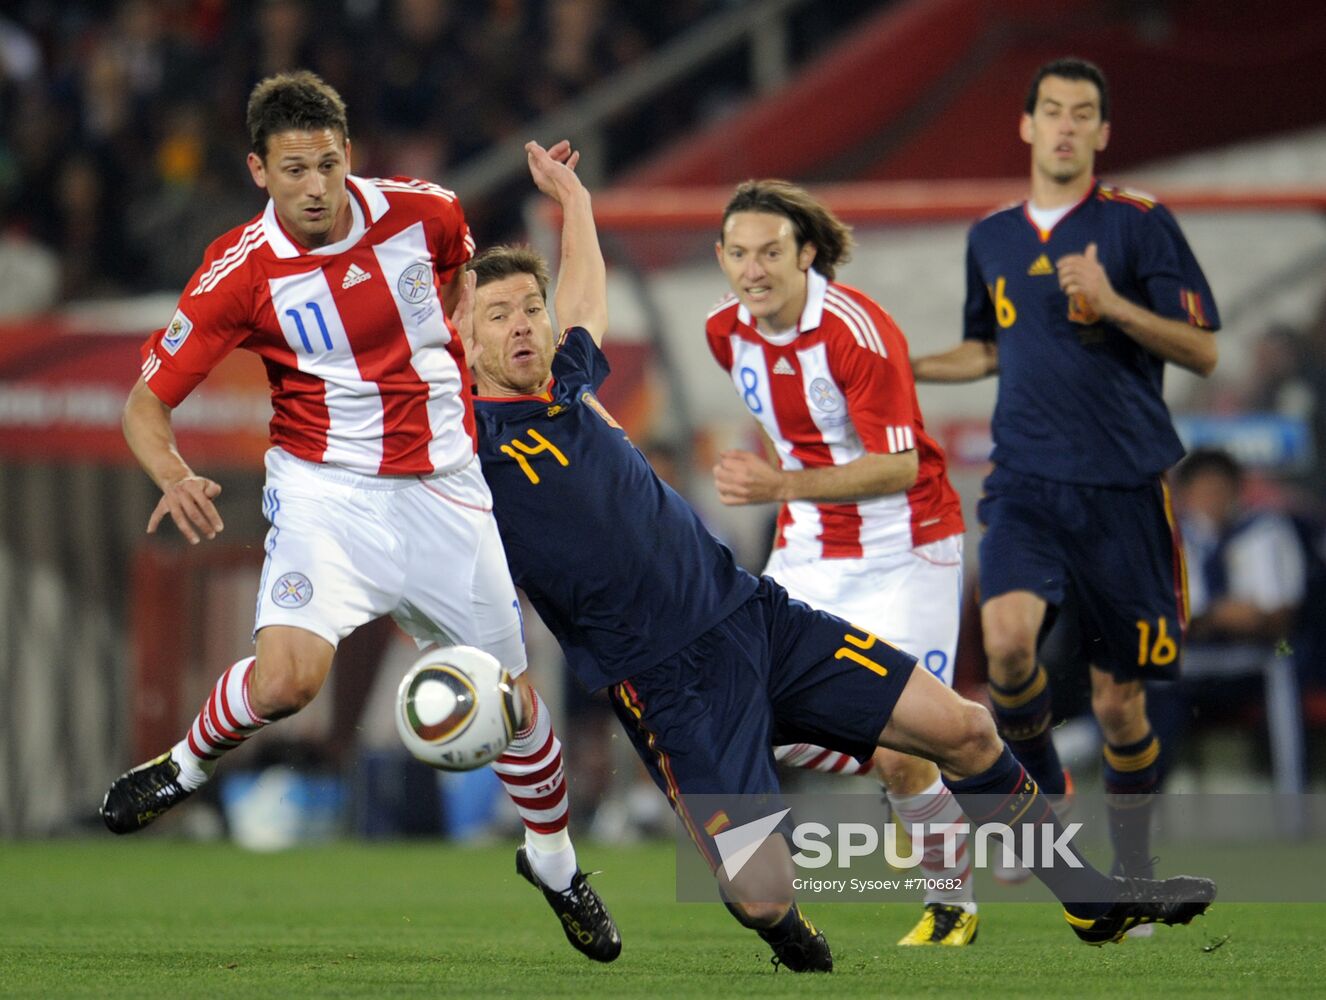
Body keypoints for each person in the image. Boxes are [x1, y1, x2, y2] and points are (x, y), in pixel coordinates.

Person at [463, 137, 1215, 973]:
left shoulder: (568, 379)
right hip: (669, 683)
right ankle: (791, 935)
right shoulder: (464, 447)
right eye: (497, 315)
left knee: (964, 730)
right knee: (762, 896)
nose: (524, 324)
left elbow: (582, 297)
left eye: (529, 307)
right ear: (461, 342)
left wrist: (577, 204)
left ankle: (1091, 901)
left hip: (756, 617)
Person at [97, 70, 619, 964]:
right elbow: (146, 404)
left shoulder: (429, 213)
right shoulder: (238, 272)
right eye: (293, 169)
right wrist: (173, 473)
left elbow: (461, 306)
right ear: (258, 170)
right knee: (286, 682)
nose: (315, 186)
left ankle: (554, 863)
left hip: (446, 489)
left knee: (514, 705)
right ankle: (182, 768)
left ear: (349, 155)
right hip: (326, 494)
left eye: (328, 165)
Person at [911, 57, 1220, 886]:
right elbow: (987, 348)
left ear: (1103, 132)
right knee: (1008, 649)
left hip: (1124, 489)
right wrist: (905, 367)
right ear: (1027, 124)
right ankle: (1041, 812)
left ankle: (1134, 868)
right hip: (1026, 484)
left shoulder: (1140, 224)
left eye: (1083, 113)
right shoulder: (992, 237)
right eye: (1052, 110)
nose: (1066, 125)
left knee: (1120, 705)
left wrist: (1114, 304)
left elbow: (1203, 350)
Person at [704, 179, 976, 946]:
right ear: (720, 258)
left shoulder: (858, 331)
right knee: (741, 712)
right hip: (810, 551)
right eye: (738, 254)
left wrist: (779, 486)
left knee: (907, 748)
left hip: (907, 549)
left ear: (807, 255)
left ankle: (952, 904)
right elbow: (783, 424)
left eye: (770, 253)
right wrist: (787, 489)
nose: (753, 270)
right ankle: (893, 786)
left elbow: (898, 467)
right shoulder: (725, 331)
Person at [1149, 448, 1308, 774]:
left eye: (1221, 490)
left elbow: (1284, 616)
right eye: (1204, 491)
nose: (1213, 500)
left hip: (1265, 651)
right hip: (1190, 658)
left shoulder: (1267, 531)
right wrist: (1216, 616)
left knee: (1288, 659)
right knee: (1147, 681)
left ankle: (1292, 788)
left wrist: (1255, 620)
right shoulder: (1170, 538)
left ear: (1237, 491)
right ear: (1186, 494)